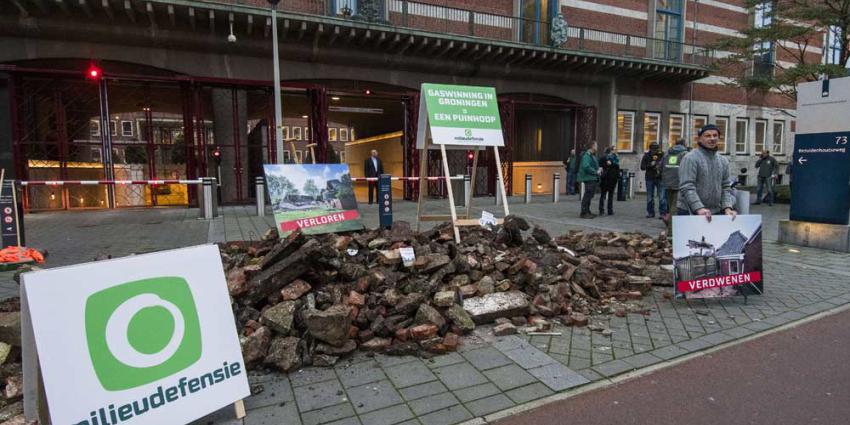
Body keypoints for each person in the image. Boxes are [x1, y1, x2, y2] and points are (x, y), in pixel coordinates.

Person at [678, 124, 737, 221]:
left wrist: (727, 207)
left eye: (715, 135)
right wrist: (698, 208)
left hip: (715, 212)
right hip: (690, 211)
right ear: (700, 139)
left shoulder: (723, 160)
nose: (712, 138)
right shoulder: (690, 158)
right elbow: (687, 186)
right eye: (708, 136)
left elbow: (726, 186)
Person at [661, 138, 689, 229]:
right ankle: (671, 230)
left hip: (667, 183)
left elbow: (660, 166)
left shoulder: (667, 153)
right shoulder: (685, 154)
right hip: (679, 183)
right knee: (675, 207)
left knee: (670, 205)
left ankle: (669, 223)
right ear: (684, 144)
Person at [640, 142, 667, 218]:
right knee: (649, 197)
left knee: (662, 197)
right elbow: (642, 167)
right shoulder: (646, 156)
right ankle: (650, 212)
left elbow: (666, 165)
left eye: (657, 149)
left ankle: (662, 213)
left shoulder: (662, 155)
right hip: (650, 178)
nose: (656, 151)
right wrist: (650, 165)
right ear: (650, 149)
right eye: (654, 149)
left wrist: (659, 166)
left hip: (660, 178)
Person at [577, 142, 600, 218]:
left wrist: (598, 169)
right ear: (592, 146)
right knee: (587, 195)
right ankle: (584, 212)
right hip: (588, 177)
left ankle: (587, 211)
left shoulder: (592, 155)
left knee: (590, 195)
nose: (597, 147)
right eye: (596, 145)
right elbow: (586, 166)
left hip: (592, 177)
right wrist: (595, 171)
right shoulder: (587, 156)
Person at [598, 147, 619, 215]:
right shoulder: (604, 157)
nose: (616, 151)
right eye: (614, 150)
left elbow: (617, 169)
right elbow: (600, 165)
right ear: (611, 151)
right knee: (603, 194)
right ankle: (601, 209)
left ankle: (610, 210)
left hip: (613, 179)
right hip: (606, 179)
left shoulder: (615, 158)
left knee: (610, 195)